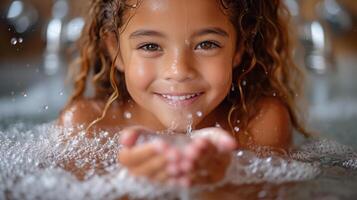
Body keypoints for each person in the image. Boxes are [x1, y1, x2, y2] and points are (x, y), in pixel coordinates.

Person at [58, 0, 310, 187]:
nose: (179, 71)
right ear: (115, 49)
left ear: (239, 47)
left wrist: (223, 181)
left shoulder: (259, 123)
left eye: (207, 44)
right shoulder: (85, 125)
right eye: (150, 46)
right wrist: (126, 183)